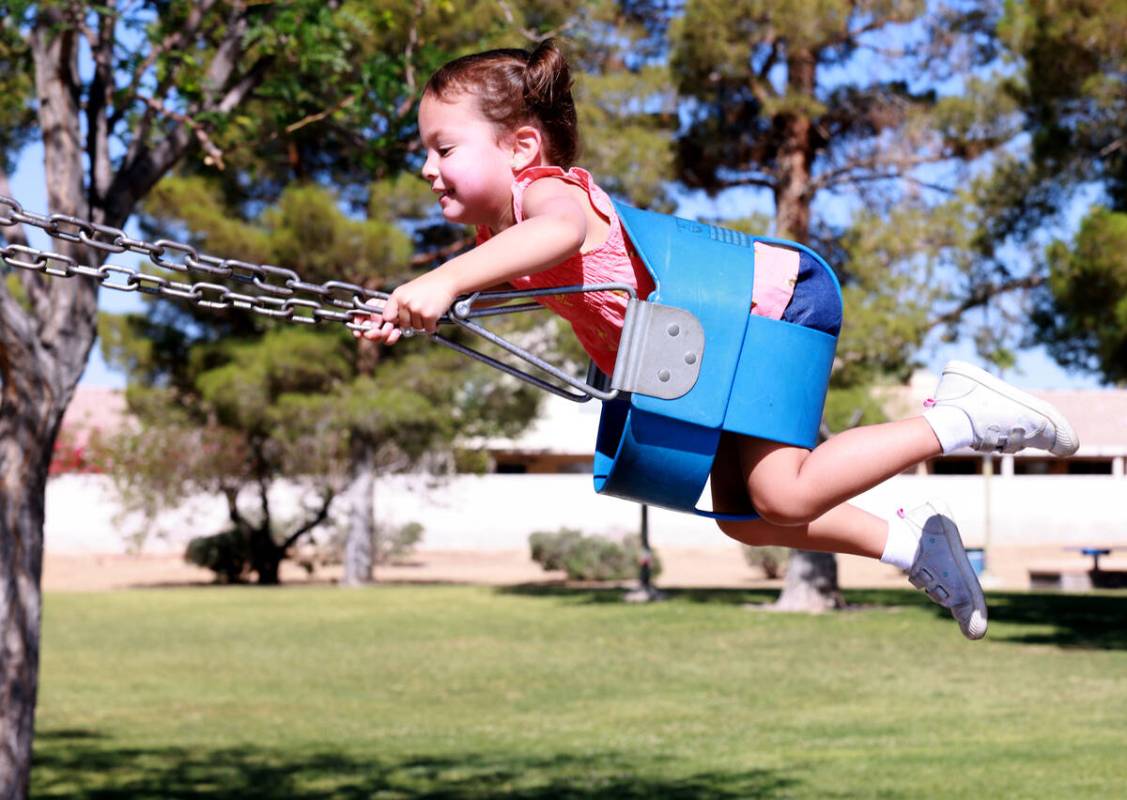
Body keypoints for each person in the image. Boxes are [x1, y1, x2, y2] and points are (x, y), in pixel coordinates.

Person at [356, 40, 1079, 640]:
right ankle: (908, 541)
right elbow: (487, 286)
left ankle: (958, 416)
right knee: (747, 519)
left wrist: (445, 281)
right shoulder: (498, 240)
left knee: (782, 495)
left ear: (520, 146)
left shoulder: (548, 193)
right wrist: (404, 306)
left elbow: (557, 234)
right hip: (725, 334)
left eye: (442, 147)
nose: (426, 167)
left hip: (772, 302)